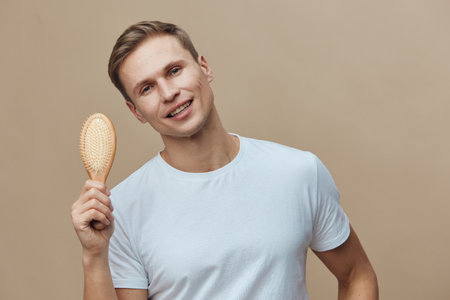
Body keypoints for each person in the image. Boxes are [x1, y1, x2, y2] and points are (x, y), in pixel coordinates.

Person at [71, 21, 378, 300]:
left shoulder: (299, 172)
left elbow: (356, 276)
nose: (168, 93)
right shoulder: (120, 210)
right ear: (136, 111)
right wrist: (94, 255)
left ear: (204, 67)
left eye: (174, 70)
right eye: (147, 88)